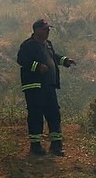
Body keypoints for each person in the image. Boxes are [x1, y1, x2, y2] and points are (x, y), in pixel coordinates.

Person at [17, 18, 77, 156]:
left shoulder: (48, 44)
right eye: (45, 29)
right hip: (34, 86)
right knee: (36, 114)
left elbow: (53, 57)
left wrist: (65, 60)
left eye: (48, 29)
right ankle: (35, 145)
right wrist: (37, 67)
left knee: (54, 113)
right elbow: (21, 60)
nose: (48, 31)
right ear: (36, 30)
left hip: (49, 85)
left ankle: (56, 145)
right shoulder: (28, 45)